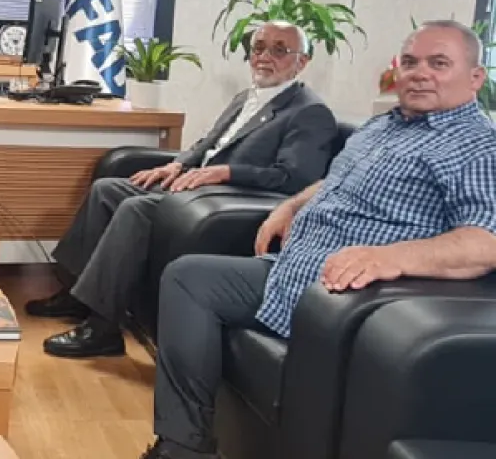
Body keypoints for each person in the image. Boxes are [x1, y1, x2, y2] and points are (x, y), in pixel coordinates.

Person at [137, 20, 496, 459]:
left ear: (475, 77)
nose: (420, 73)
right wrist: (291, 205)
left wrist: (391, 258)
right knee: (187, 278)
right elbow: (338, 179)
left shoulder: (476, 147)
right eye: (410, 62)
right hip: (291, 270)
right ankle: (184, 446)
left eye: (439, 63)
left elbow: (485, 241)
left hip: (338, 300)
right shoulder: (386, 125)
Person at [27, 21, 339, 359]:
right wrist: (177, 164)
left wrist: (225, 173)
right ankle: (76, 294)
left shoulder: (310, 112)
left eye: (279, 50)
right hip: (194, 184)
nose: (265, 56)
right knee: (107, 190)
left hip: (224, 198)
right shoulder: (246, 97)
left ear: (302, 61)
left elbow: (295, 178)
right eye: (259, 47)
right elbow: (209, 143)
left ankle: (103, 328)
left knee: (135, 208)